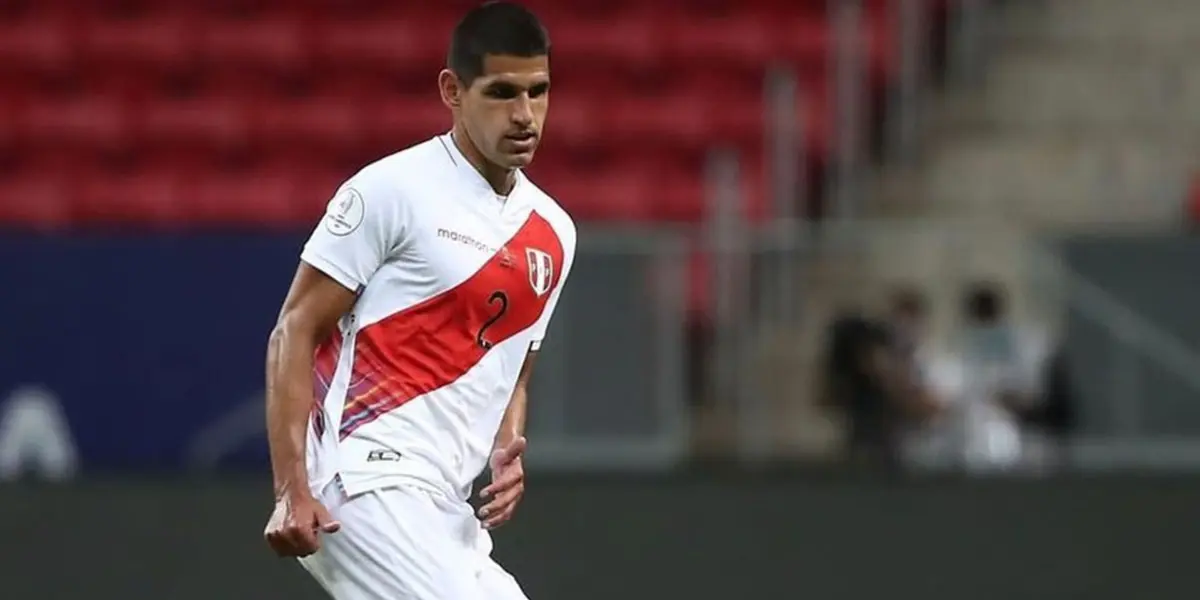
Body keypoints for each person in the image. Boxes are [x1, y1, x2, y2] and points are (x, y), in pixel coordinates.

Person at [262, 3, 575, 599]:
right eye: (503, 92)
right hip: (362, 484)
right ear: (452, 91)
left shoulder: (555, 232)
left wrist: (508, 447)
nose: (525, 115)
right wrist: (291, 488)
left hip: (444, 508)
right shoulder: (390, 191)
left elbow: (513, 369)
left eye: (539, 92)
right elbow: (294, 330)